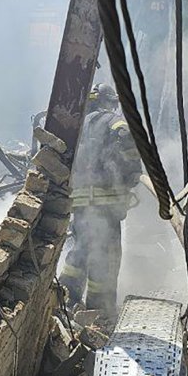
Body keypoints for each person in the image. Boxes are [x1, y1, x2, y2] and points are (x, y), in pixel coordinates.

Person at [59, 84, 142, 317]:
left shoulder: (78, 126)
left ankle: (65, 299)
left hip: (80, 203)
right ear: (109, 102)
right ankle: (100, 312)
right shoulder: (116, 123)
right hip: (106, 206)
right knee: (105, 258)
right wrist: (133, 174)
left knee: (80, 251)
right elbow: (129, 151)